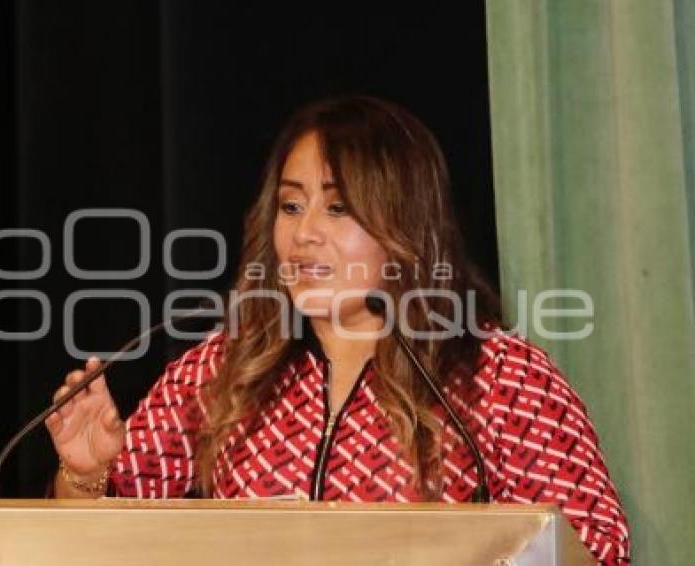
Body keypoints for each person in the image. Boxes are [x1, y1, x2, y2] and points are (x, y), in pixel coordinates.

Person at [45, 96, 630, 564]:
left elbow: (595, 550)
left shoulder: (501, 375)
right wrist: (84, 475)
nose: (304, 235)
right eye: (291, 206)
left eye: (339, 208)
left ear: (404, 224)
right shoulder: (222, 369)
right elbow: (92, 547)